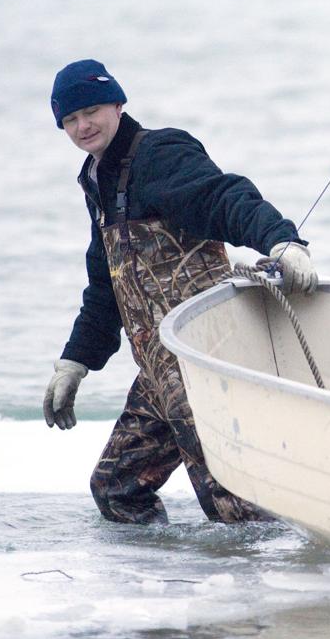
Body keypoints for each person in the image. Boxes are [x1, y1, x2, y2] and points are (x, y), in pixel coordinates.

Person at [42, 59, 316, 524]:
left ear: (117, 103)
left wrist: (282, 241)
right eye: (70, 119)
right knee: (115, 490)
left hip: (204, 359)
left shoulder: (160, 153)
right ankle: (167, 580)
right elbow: (106, 285)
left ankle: (279, 580)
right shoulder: (99, 182)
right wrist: (76, 362)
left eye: (90, 111)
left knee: (233, 504)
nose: (82, 126)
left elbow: (224, 198)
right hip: (157, 373)